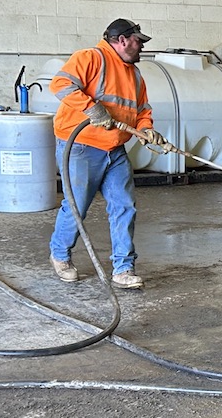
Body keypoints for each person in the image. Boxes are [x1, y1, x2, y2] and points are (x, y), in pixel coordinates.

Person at [48, 18, 164, 289]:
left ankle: (123, 269)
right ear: (122, 40)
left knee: (124, 206)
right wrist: (91, 109)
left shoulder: (134, 75)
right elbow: (60, 84)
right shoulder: (91, 57)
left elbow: (142, 111)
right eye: (138, 41)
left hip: (114, 148)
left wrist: (146, 130)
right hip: (81, 146)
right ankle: (60, 255)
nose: (141, 47)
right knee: (77, 206)